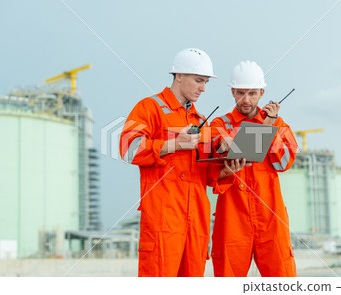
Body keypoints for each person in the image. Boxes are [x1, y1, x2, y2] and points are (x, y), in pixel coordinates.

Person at [119, 48, 218, 277]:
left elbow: (207, 174)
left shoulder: (201, 120)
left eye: (206, 82)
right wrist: (173, 144)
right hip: (163, 221)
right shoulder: (149, 108)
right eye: (199, 80)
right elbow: (128, 149)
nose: (203, 88)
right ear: (179, 75)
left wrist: (227, 167)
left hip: (195, 224)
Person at [208, 61, 298, 277]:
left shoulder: (278, 124)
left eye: (252, 93)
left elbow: (283, 163)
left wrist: (270, 127)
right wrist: (224, 146)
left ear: (262, 93)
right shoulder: (219, 124)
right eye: (240, 93)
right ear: (232, 91)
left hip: (270, 217)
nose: (246, 100)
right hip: (232, 219)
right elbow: (210, 167)